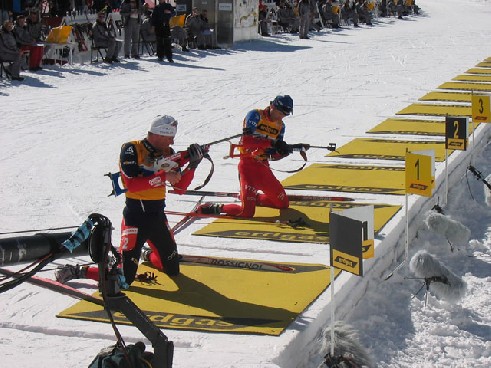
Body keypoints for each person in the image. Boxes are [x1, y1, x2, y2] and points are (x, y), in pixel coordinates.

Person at [55, 115, 208, 285]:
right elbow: (131, 184)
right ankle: (79, 271)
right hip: (135, 219)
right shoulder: (131, 149)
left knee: (173, 269)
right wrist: (164, 176)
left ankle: (146, 255)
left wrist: (193, 164)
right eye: (170, 137)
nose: (172, 142)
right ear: (159, 135)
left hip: (157, 218)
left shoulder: (168, 154)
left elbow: (180, 189)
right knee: (124, 279)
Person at [199, 95, 309, 218]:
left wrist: (283, 152)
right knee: (246, 213)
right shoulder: (255, 115)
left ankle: (253, 198)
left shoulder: (281, 126)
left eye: (285, 115)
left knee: (283, 204)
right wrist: (271, 143)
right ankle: (214, 208)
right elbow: (246, 141)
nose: (281, 117)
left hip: (263, 168)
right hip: (247, 168)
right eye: (280, 113)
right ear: (272, 106)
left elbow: (273, 154)